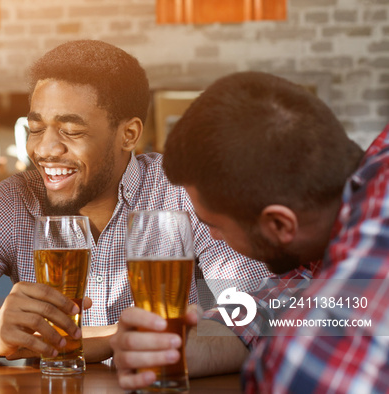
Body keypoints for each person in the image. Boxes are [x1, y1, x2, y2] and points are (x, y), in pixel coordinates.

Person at [0, 40, 272, 363]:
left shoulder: (183, 192)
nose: (45, 149)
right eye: (35, 129)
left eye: (71, 130)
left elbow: (259, 315)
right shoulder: (12, 202)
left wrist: (115, 344)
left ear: (129, 134)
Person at [111, 71, 388, 392]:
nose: (211, 236)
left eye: (213, 224)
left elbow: (305, 375)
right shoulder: (331, 225)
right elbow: (284, 299)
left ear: (279, 225)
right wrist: (190, 346)